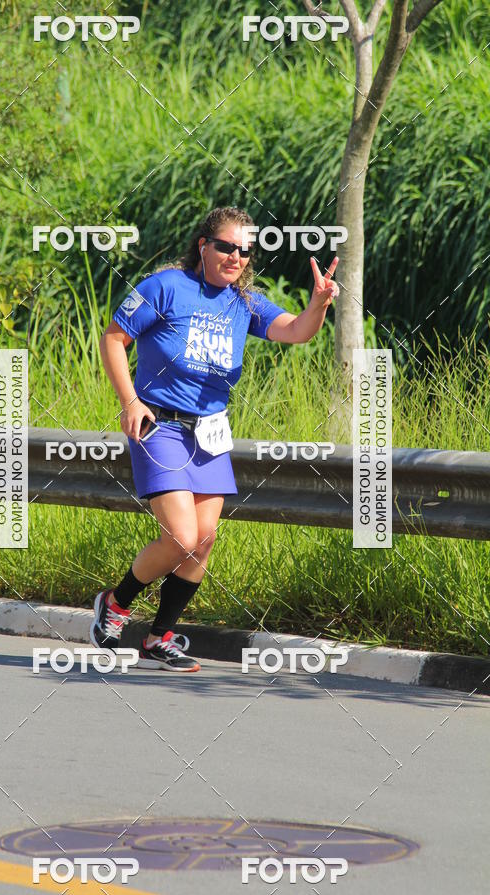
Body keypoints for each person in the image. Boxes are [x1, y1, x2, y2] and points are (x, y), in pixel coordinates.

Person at [91, 206, 339, 672]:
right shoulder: (165, 286)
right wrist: (129, 401)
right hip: (159, 425)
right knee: (182, 537)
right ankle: (116, 602)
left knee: (203, 540)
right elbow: (113, 339)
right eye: (226, 246)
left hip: (209, 430)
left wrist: (319, 303)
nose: (236, 257)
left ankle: (159, 638)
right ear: (204, 245)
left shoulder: (242, 301)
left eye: (245, 251)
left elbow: (297, 331)